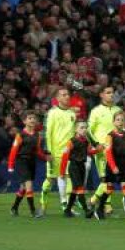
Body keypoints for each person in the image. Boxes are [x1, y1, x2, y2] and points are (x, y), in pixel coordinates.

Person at [41, 86, 77, 216]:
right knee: (50, 180)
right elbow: (46, 133)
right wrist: (47, 151)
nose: (66, 96)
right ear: (57, 98)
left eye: (67, 94)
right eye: (63, 95)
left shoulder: (72, 114)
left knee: (68, 177)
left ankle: (66, 206)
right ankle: (43, 206)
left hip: (69, 152)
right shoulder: (52, 113)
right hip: (54, 153)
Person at [87, 85, 122, 213]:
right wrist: (96, 144)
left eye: (112, 92)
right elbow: (88, 130)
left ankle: (94, 201)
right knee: (105, 178)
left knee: (110, 178)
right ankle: (105, 204)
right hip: (102, 149)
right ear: (101, 95)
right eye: (108, 93)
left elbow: (121, 128)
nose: (111, 95)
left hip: (116, 148)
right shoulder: (96, 111)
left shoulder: (118, 109)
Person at [99, 112, 125, 221]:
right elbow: (108, 153)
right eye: (118, 120)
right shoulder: (110, 136)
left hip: (124, 165)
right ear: (113, 122)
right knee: (110, 189)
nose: (120, 122)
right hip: (113, 166)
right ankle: (99, 209)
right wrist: (113, 166)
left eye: (122, 120)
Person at [60, 121, 100, 218]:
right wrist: (62, 172)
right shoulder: (71, 141)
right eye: (81, 128)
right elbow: (65, 156)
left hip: (82, 166)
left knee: (75, 189)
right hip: (74, 167)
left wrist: (99, 150)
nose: (84, 130)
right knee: (80, 188)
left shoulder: (86, 141)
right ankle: (87, 210)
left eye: (85, 128)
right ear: (76, 129)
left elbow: (89, 152)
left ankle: (68, 210)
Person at [8, 111, 44, 218]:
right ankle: (33, 211)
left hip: (32, 161)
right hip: (22, 161)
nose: (32, 120)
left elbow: (37, 151)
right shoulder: (20, 135)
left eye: (34, 118)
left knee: (23, 187)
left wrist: (45, 157)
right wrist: (10, 165)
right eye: (30, 118)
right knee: (29, 185)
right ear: (24, 121)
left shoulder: (37, 135)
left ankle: (14, 208)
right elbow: (13, 150)